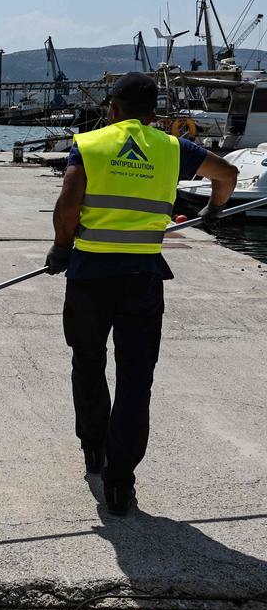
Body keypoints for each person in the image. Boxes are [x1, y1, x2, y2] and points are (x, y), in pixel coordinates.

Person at [46, 72, 237, 516]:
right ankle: (120, 480)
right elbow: (226, 174)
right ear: (154, 114)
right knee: (136, 378)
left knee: (88, 361)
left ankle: (94, 449)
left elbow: (68, 204)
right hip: (143, 278)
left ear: (112, 108)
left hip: (90, 275)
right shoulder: (173, 148)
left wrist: (61, 246)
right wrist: (213, 210)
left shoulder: (90, 144)